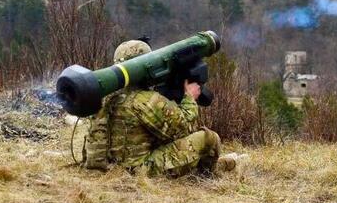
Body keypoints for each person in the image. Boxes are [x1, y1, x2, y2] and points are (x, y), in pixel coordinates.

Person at [82, 39, 240, 177]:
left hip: (110, 166)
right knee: (209, 138)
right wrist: (189, 98)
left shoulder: (106, 95)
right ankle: (209, 172)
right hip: (139, 171)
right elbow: (184, 129)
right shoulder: (146, 101)